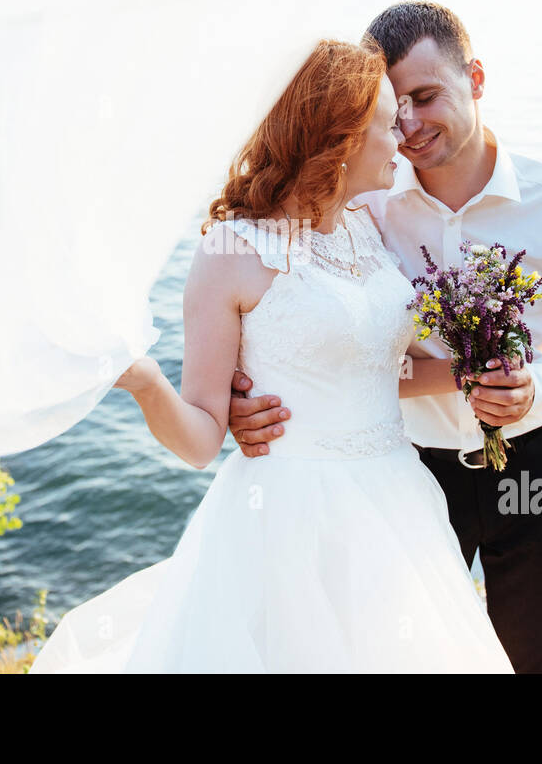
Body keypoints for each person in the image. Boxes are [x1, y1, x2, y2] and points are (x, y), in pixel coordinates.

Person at [29, 38, 514, 672]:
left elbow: (374, 368)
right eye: (388, 124)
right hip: (286, 519)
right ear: (339, 137)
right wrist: (148, 383)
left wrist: (472, 370)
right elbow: (203, 439)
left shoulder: (365, 222)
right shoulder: (232, 251)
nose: (404, 137)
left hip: (397, 500)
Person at [229, 2, 542, 673]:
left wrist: (538, 386)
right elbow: (284, 297)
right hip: (408, 470)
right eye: (392, 106)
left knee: (526, 662)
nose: (408, 124)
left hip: (530, 468)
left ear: (475, 77)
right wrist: (249, 396)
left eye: (425, 96)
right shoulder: (361, 203)